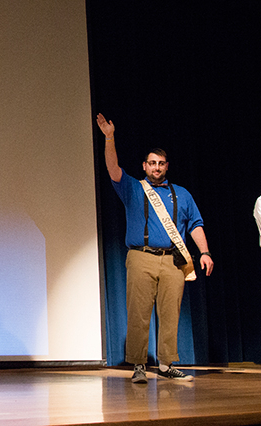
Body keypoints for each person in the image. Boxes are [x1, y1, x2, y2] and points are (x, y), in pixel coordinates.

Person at [96, 113, 214, 384]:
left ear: (167, 166)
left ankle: (166, 364)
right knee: (138, 311)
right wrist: (109, 137)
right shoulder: (133, 189)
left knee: (170, 312)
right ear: (144, 166)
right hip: (141, 257)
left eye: (161, 164)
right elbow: (113, 169)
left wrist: (205, 252)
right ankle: (139, 365)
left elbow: (195, 224)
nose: (156, 168)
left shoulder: (182, 194)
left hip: (173, 260)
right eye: (152, 163)